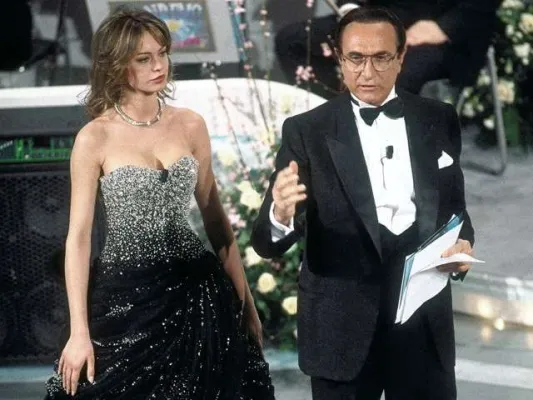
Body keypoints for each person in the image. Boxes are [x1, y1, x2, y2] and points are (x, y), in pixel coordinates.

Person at [44, 9, 275, 399]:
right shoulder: (94, 137)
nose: (158, 66)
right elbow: (79, 238)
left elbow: (216, 222)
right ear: (116, 64)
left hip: (197, 294)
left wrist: (246, 303)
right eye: (143, 58)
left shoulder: (190, 124)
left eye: (163, 53)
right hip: (127, 298)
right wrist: (79, 332)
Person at [252, 7, 474, 400]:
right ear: (339, 58)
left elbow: (455, 210)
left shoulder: (438, 118)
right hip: (342, 331)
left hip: (423, 326)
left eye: (381, 57)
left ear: (402, 57)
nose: (367, 72)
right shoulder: (306, 131)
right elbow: (266, 243)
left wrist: (462, 245)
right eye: (355, 58)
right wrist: (281, 213)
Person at [275, 0, 502, 98]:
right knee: (294, 41)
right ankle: (333, 125)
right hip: (378, 16)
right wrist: (351, 10)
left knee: (393, 71)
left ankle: (382, 158)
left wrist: (444, 27)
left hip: (443, 27)